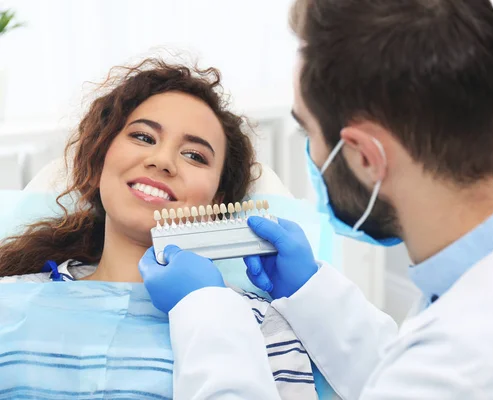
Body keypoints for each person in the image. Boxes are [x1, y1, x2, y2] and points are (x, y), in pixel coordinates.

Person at [139, 0, 493, 399]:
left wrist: (205, 310)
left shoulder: (474, 368)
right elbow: (397, 369)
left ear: (363, 155)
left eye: (309, 131)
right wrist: (311, 293)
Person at [0, 58, 317, 399]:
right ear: (99, 157)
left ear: (216, 203)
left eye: (195, 156)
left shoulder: (261, 324)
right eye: (142, 136)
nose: (162, 161)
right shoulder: (9, 299)